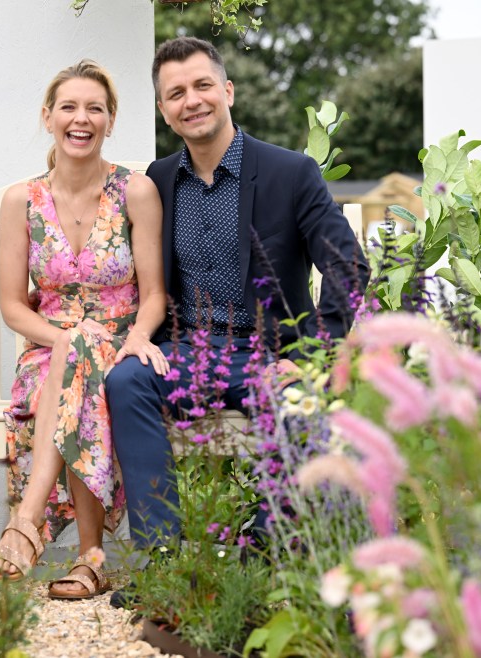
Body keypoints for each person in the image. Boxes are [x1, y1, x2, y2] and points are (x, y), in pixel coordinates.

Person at [106, 36, 370, 598]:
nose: (191, 101)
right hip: (186, 350)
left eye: (202, 85)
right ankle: (163, 566)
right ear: (164, 109)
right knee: (125, 379)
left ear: (227, 90)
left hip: (270, 354)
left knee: (300, 407)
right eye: (175, 93)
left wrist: (315, 354)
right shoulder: (159, 178)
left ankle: (269, 557)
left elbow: (347, 263)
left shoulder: (290, 172)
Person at [0, 59, 168, 600]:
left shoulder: (135, 192)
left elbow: (156, 293)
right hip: (48, 348)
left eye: (95, 108)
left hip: (120, 344)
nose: (81, 118)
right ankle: (90, 559)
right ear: (48, 117)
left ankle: (26, 522)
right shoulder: (22, 201)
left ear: (111, 120)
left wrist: (138, 336)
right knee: (73, 355)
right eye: (69, 106)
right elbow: (12, 306)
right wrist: (60, 337)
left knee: (86, 351)